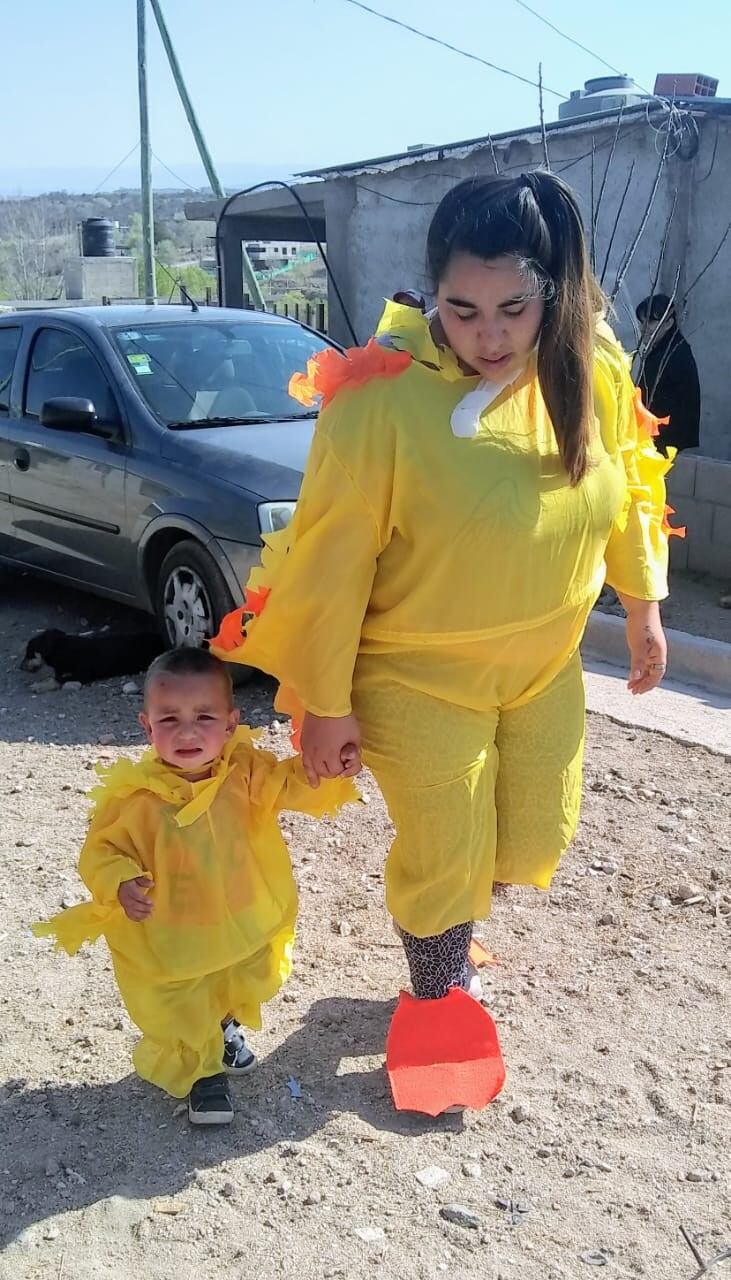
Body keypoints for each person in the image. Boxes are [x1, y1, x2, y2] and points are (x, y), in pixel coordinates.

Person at [212, 171, 680, 1111]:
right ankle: (436, 997)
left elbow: (627, 479)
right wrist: (326, 700)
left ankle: (452, 933)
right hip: (414, 673)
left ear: (551, 290)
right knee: (445, 845)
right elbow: (331, 561)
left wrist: (642, 605)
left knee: (531, 834)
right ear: (431, 295)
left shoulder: (592, 361)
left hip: (542, 665)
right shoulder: (380, 398)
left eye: (513, 308)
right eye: (461, 311)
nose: (489, 336)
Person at [34, 647, 359, 1125]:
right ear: (147, 727)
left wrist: (324, 767)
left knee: (244, 975)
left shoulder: (247, 773)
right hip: (174, 933)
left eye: (203, 716)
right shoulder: (135, 801)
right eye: (170, 719)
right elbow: (101, 851)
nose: (187, 731)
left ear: (230, 725)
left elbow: (290, 784)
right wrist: (121, 881)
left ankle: (221, 1025)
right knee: (182, 999)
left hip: (240, 918)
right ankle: (201, 1074)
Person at [636, 294, 701, 454]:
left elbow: (647, 396)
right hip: (665, 433)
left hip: (663, 435)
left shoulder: (670, 353)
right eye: (642, 321)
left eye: (651, 321)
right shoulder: (671, 346)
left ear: (668, 323)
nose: (644, 327)